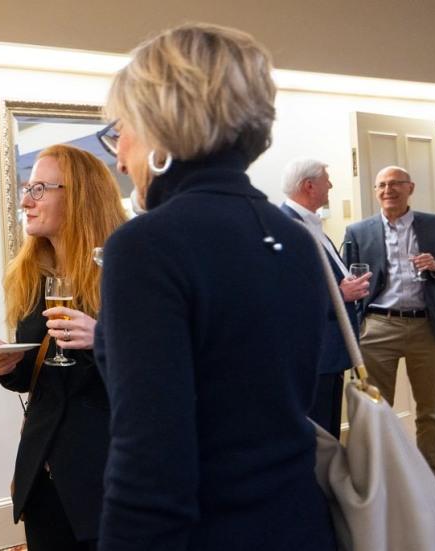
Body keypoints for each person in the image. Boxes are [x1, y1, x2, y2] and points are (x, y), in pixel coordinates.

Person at [94, 23, 337, 550]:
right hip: (298, 524)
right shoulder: (294, 237)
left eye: (122, 129)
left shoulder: (147, 246)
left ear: (159, 124)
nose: (119, 156)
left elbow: (150, 462)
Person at [0, 145, 127, 550]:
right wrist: (10, 365)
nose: (26, 201)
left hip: (107, 479)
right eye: (27, 188)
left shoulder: (125, 272)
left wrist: (102, 339)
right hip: (44, 479)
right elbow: (35, 379)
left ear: (79, 196)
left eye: (40, 189)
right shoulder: (34, 275)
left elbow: (158, 375)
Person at [343, 165, 435, 505]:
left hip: (426, 326)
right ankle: (379, 479)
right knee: (375, 409)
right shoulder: (358, 231)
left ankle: (433, 478)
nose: (388, 190)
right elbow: (345, 280)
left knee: (430, 408)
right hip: (377, 326)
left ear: (410, 188)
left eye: (396, 184)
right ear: (375, 191)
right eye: (382, 185)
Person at [280, 158, 370, 437]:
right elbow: (285, 294)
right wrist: (341, 294)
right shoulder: (286, 226)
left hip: (331, 352)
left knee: (329, 435)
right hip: (313, 352)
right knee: (317, 437)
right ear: (309, 186)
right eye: (326, 180)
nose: (330, 185)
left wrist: (344, 284)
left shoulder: (311, 224)